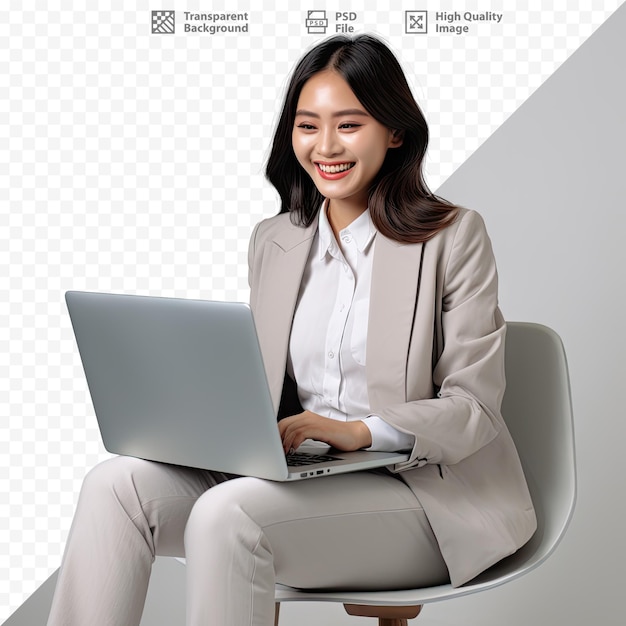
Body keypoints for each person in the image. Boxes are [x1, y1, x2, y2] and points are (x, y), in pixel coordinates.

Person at [47, 34, 536, 626]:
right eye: (308, 126)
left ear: (395, 132)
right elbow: (262, 383)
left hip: (424, 498)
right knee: (113, 486)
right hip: (299, 476)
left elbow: (473, 409)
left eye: (348, 125)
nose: (325, 146)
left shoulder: (452, 237)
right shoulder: (275, 241)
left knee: (229, 515)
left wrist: (357, 431)